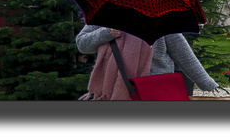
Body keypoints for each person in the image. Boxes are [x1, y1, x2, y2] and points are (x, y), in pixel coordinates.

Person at [76, 25, 219, 99]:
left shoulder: (161, 20)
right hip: (118, 88)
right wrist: (107, 32)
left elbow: (183, 54)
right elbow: (82, 44)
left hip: (155, 88)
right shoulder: (106, 14)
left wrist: (206, 82)